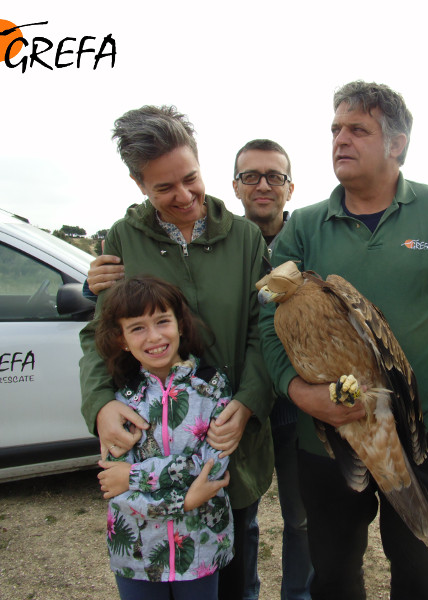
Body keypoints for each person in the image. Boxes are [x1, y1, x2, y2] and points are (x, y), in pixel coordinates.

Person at [258, 81, 428, 600]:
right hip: (324, 436)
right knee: (332, 573)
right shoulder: (303, 228)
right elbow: (265, 324)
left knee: (419, 572)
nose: (339, 140)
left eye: (357, 129)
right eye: (334, 129)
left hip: (427, 432)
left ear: (396, 144)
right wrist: (298, 393)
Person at [79, 105, 274, 600]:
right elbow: (100, 334)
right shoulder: (122, 239)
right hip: (152, 456)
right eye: (164, 188)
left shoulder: (247, 239)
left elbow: (263, 331)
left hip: (231, 441)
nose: (184, 196)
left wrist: (248, 401)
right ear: (137, 183)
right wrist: (100, 404)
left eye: (191, 178)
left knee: (235, 574)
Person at [94, 275, 234, 599]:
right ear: (122, 340)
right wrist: (183, 499)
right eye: (138, 327)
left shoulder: (212, 388)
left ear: (180, 325)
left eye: (162, 321)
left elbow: (212, 465)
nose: (154, 336)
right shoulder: (121, 402)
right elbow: (115, 486)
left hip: (201, 547)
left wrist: (134, 476)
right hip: (136, 555)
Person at [232, 139, 313, 600]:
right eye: (251, 176)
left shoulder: (310, 238)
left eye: (274, 176)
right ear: (236, 186)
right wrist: (96, 280)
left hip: (300, 403)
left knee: (301, 517)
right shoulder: (219, 243)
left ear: (290, 187)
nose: (263, 185)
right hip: (242, 401)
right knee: (242, 515)